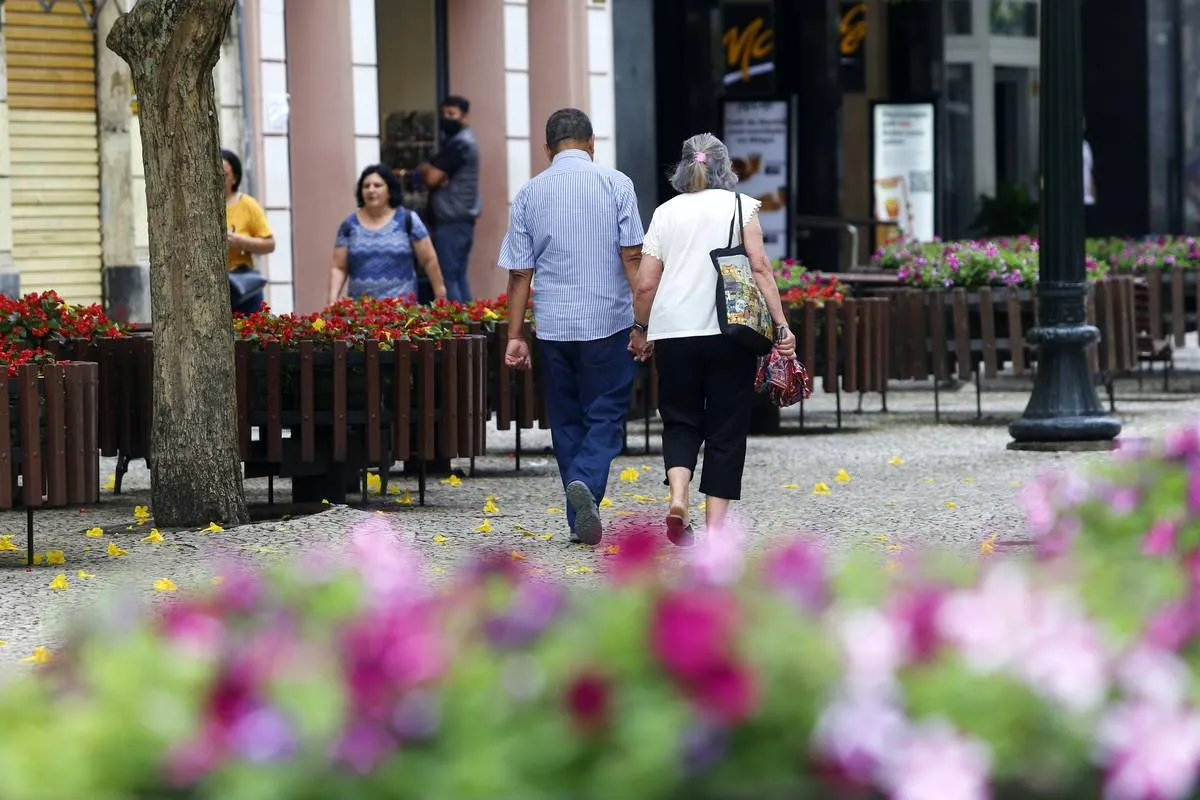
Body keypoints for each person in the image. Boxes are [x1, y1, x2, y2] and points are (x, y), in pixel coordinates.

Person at [628, 133, 796, 546]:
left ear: (684, 167)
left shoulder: (665, 212)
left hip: (673, 334)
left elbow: (646, 283)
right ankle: (716, 534)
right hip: (729, 333)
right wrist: (781, 326)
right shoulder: (741, 206)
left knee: (679, 420)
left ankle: (678, 497)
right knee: (726, 428)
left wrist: (641, 329)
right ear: (726, 167)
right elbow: (760, 268)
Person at [498, 108, 644, 546]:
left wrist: (515, 336)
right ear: (592, 142)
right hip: (609, 321)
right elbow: (632, 257)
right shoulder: (617, 184)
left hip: (554, 325)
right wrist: (645, 321)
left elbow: (519, 272)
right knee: (606, 413)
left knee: (565, 420)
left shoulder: (529, 193)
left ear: (547, 149)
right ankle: (586, 482)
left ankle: (579, 512)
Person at [328, 165, 447, 304]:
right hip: (360, 310)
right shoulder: (349, 225)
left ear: (389, 190)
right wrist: (332, 299)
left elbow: (428, 260)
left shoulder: (408, 220)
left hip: (401, 310)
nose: (371, 190)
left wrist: (440, 293)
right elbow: (339, 267)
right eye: (366, 186)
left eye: (377, 185)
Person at [418, 95, 481, 304]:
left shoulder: (460, 145)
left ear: (465, 116)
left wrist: (427, 171)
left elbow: (431, 177)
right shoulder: (464, 141)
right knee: (458, 275)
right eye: (444, 114)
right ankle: (470, 319)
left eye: (452, 114)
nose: (446, 118)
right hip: (461, 220)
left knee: (449, 276)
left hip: (452, 220)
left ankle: (457, 320)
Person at [222, 149, 276, 314]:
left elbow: (269, 243)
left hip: (241, 285)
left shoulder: (247, 205)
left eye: (224, 174)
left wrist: (239, 241)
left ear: (234, 178)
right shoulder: (199, 207)